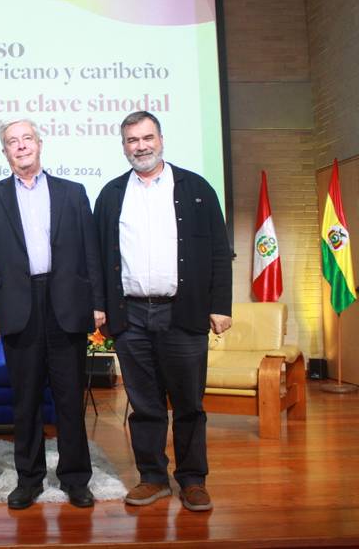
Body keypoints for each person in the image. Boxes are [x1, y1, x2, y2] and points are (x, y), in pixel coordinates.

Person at [94, 110, 232, 512]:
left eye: (147, 138)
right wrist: (100, 306)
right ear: (124, 147)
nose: (141, 146)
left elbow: (219, 253)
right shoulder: (111, 194)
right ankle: (152, 477)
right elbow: (100, 258)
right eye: (132, 140)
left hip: (182, 312)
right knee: (145, 404)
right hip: (131, 315)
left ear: (161, 139)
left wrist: (220, 306)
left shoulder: (197, 188)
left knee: (189, 403)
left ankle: (192, 480)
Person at [0, 118, 105, 510]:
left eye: (26, 138)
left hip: (66, 303)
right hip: (17, 305)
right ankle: (29, 479)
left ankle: (75, 478)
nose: (21, 146)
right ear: (5, 152)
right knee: (25, 401)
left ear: (40, 144)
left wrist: (98, 302)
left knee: (69, 398)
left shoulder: (73, 192)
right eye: (12, 142)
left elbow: (91, 253)